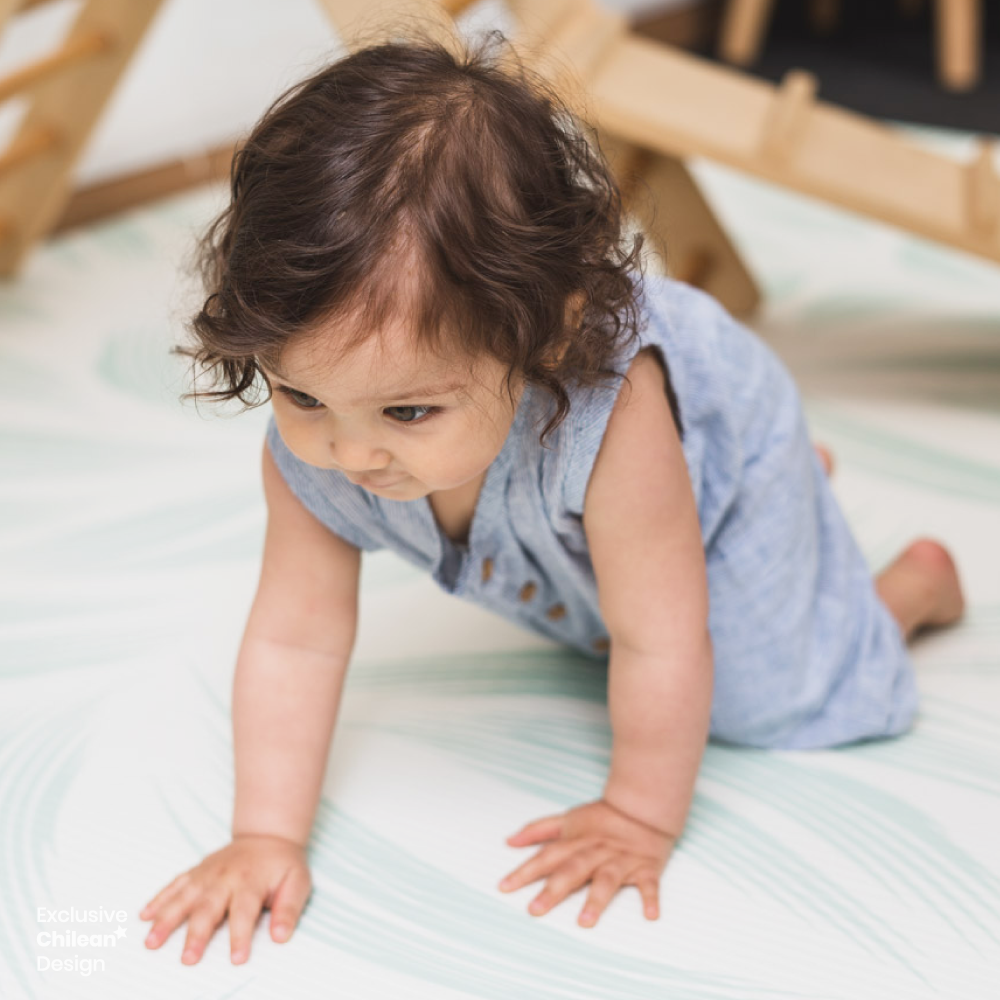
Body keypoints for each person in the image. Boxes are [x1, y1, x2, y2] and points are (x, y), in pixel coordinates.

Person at [141, 30, 965, 966]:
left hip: (693, 446)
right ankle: (748, 506)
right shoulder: (323, 447)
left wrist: (636, 815)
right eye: (300, 395)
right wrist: (265, 836)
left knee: (754, 696)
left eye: (408, 409)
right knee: (608, 608)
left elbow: (662, 638)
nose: (352, 451)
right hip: (621, 508)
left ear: (545, 338)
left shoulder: (611, 423)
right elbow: (295, 636)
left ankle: (901, 586)